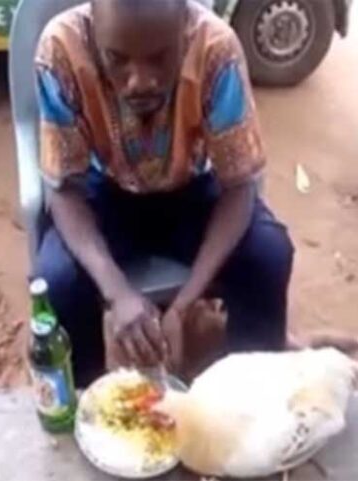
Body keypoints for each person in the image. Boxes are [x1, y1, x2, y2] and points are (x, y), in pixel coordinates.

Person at [33, 0, 295, 386]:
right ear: (94, 30)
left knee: (270, 255)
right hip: (101, 191)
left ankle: (252, 399)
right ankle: (87, 401)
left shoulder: (215, 48)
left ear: (184, 31)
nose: (139, 80)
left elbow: (239, 187)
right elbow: (64, 191)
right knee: (59, 280)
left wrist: (183, 306)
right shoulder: (61, 48)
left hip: (192, 190)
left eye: (159, 58)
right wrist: (118, 292)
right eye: (116, 59)